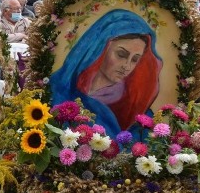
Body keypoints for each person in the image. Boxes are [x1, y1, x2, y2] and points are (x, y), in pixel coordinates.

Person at [49, 10, 162, 138]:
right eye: (121, 54)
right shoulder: (61, 88)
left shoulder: (136, 109)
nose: (127, 66)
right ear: (101, 48)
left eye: (135, 59)